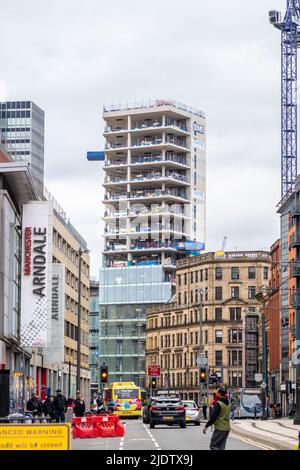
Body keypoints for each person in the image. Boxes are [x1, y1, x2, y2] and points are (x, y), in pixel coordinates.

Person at [203, 386, 231, 450]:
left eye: (217, 392)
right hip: (226, 428)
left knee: (213, 445)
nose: (215, 393)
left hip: (220, 428)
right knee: (221, 447)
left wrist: (206, 426)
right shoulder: (228, 403)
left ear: (220, 393)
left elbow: (213, 416)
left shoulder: (219, 403)